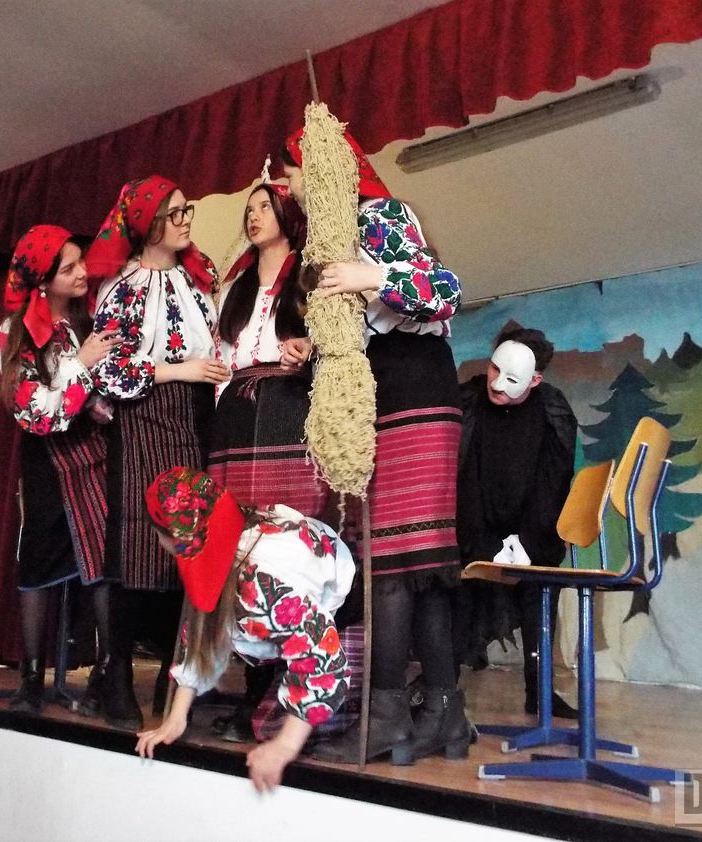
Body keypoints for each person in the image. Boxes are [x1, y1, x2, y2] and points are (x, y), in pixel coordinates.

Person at [280, 128, 470, 764]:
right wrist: (316, 345)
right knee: (417, 569)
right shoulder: (329, 236)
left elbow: (444, 291)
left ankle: (388, 717)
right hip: (388, 394)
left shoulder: (379, 215)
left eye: (292, 171)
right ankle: (443, 712)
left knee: (393, 565)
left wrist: (370, 274)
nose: (285, 184)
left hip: (417, 392)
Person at [85, 176, 230, 729]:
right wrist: (180, 370)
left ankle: (180, 676)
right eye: (175, 213)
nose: (187, 220)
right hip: (143, 414)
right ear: (148, 225)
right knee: (137, 538)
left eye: (187, 209)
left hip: (197, 415)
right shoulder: (121, 288)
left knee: (188, 542)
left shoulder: (201, 276)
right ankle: (117, 673)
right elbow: (108, 368)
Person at [134, 467, 353, 792]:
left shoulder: (260, 586)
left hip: (342, 608)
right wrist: (176, 717)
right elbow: (204, 631)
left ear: (172, 539)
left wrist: (285, 746)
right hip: (285, 618)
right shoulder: (220, 545)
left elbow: (322, 657)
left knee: (280, 728)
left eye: (157, 534)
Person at [208, 182, 328, 741]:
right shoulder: (235, 290)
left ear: (287, 213)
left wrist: (309, 353)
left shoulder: (309, 276)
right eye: (249, 209)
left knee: (282, 546)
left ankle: (285, 693)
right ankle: (250, 692)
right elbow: (221, 359)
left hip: (287, 412)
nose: (254, 216)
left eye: (265, 206)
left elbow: (335, 344)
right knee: (239, 550)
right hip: (236, 417)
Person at [0, 224, 121, 713]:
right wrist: (81, 367)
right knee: (39, 559)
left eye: (80, 261)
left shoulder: (88, 321)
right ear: (44, 281)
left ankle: (108, 671)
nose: (83, 272)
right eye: (69, 268)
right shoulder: (15, 333)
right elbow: (37, 412)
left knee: (102, 561)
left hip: (92, 454)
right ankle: (31, 677)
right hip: (47, 460)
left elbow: (100, 396)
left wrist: (95, 397)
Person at [456, 326, 579, 718]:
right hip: (476, 526)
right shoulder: (469, 401)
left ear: (535, 380)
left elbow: (554, 482)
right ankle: (441, 690)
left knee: (539, 586)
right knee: (454, 585)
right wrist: (485, 542)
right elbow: (461, 478)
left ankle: (539, 690)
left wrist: (526, 541)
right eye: (494, 369)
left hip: (533, 530)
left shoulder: (552, 411)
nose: (496, 383)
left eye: (510, 377)